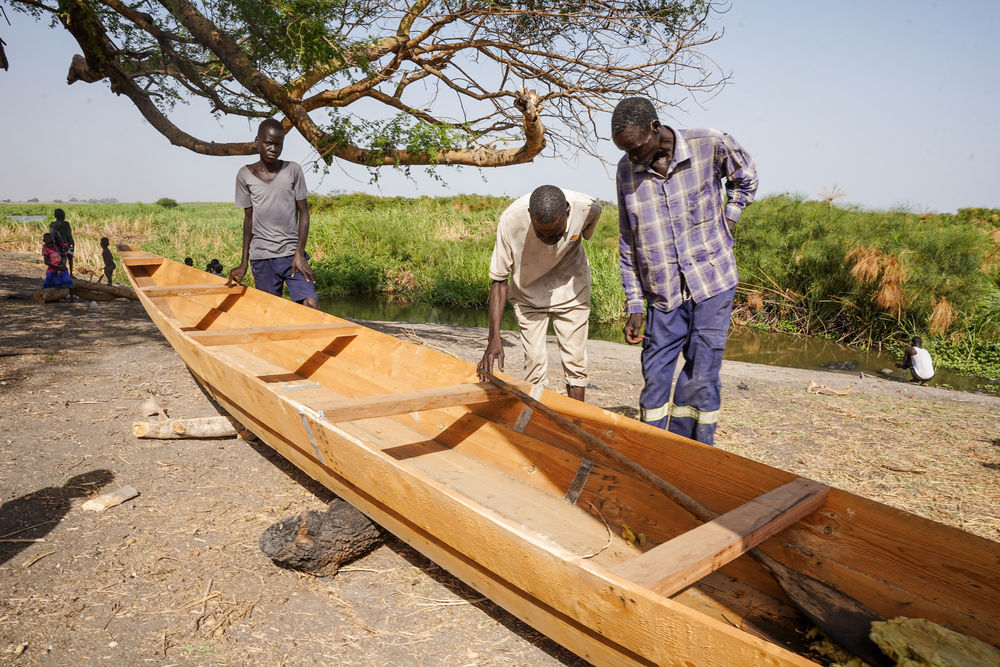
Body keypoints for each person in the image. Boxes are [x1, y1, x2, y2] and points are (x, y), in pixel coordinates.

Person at [611, 96, 758, 445]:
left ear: (654, 128)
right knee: (655, 373)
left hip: (712, 281)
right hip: (662, 293)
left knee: (701, 374)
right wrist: (634, 304)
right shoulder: (625, 170)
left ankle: (691, 449)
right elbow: (628, 239)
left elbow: (746, 177)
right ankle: (651, 446)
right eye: (625, 151)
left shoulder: (709, 143)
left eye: (635, 148)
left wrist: (730, 218)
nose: (632, 157)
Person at [476, 185, 602, 401]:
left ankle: (577, 420)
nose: (548, 239)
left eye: (555, 233)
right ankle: (533, 418)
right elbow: (498, 280)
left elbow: (585, 231)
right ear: (530, 216)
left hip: (572, 288)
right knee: (534, 363)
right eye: (541, 233)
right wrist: (494, 338)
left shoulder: (588, 208)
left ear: (567, 213)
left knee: (576, 362)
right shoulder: (511, 220)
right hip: (527, 293)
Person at [227, 118, 318, 309]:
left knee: (310, 304)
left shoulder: (293, 170)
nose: (273, 149)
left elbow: (304, 213)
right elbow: (248, 219)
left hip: (292, 255)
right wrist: (243, 263)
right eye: (269, 143)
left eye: (279, 145)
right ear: (257, 141)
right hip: (262, 257)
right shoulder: (244, 175)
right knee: (270, 312)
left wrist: (299, 253)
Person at [49, 208, 74, 276]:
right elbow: (69, 235)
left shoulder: (52, 224)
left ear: (55, 216)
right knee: (70, 259)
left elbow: (51, 235)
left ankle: (58, 273)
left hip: (56, 245)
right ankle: (71, 274)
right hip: (66, 244)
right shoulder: (66, 224)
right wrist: (72, 244)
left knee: (58, 260)